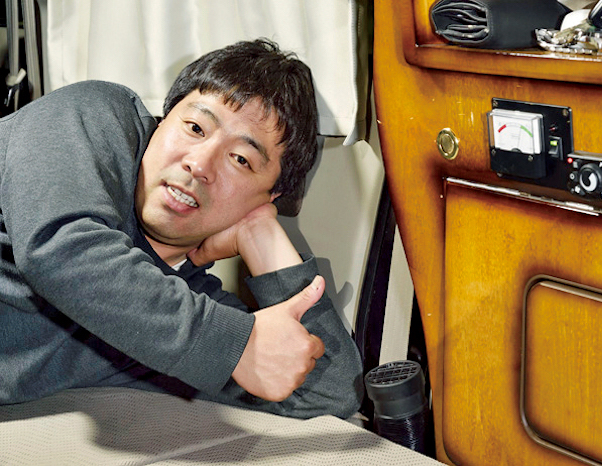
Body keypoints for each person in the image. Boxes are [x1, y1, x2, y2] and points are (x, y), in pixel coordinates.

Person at [0, 39, 364, 419]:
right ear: (162, 121)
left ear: (268, 197)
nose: (200, 164)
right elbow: (60, 251)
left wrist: (261, 235)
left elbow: (329, 393)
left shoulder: (173, 311)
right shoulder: (90, 113)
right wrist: (232, 345)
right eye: (194, 127)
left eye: (241, 159)